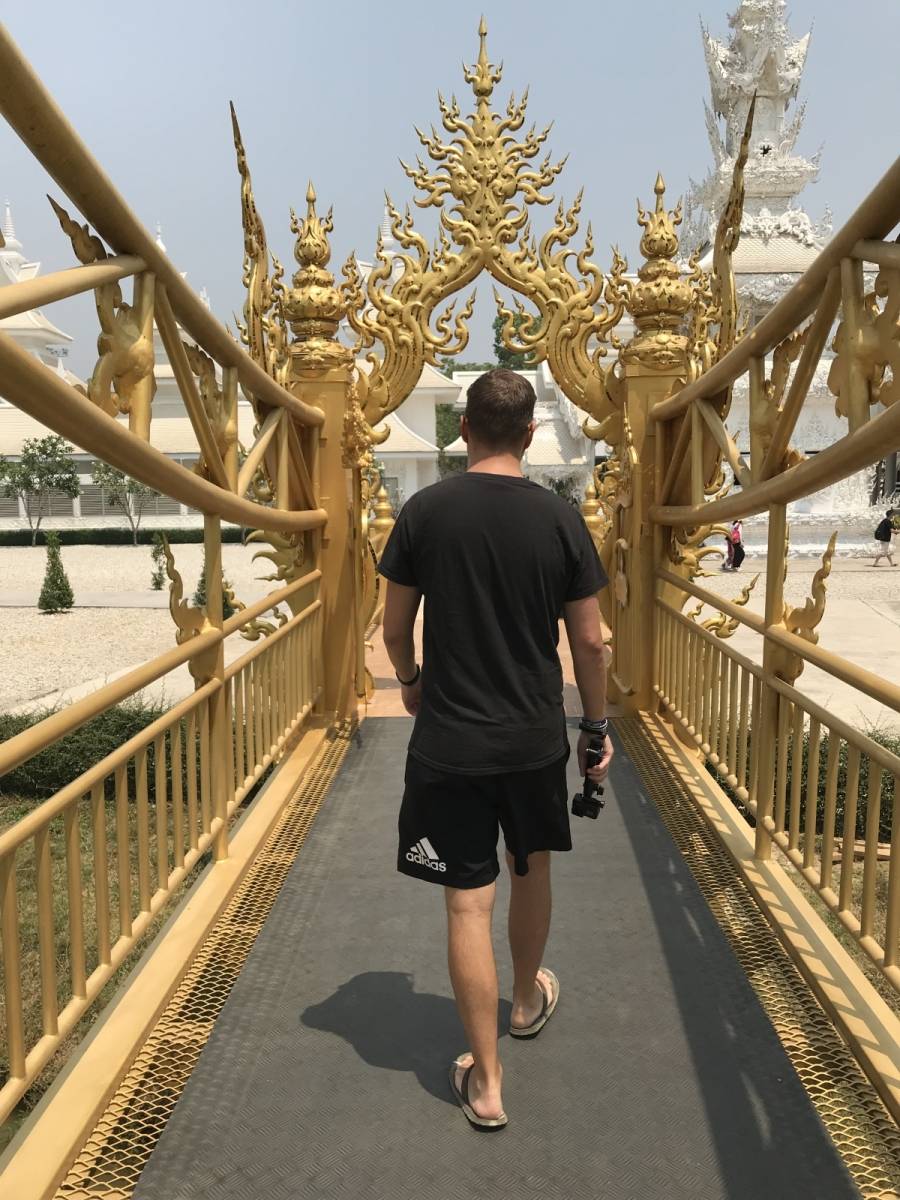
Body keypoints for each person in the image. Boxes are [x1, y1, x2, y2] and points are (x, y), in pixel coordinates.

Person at [378, 368, 612, 1131]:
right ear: (532, 434)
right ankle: (522, 1001)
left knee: (467, 903)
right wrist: (596, 727)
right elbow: (591, 642)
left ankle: (485, 1082)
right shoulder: (560, 518)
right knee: (530, 866)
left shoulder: (424, 512)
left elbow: (394, 629)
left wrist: (411, 681)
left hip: (450, 741)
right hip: (533, 738)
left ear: (465, 430)